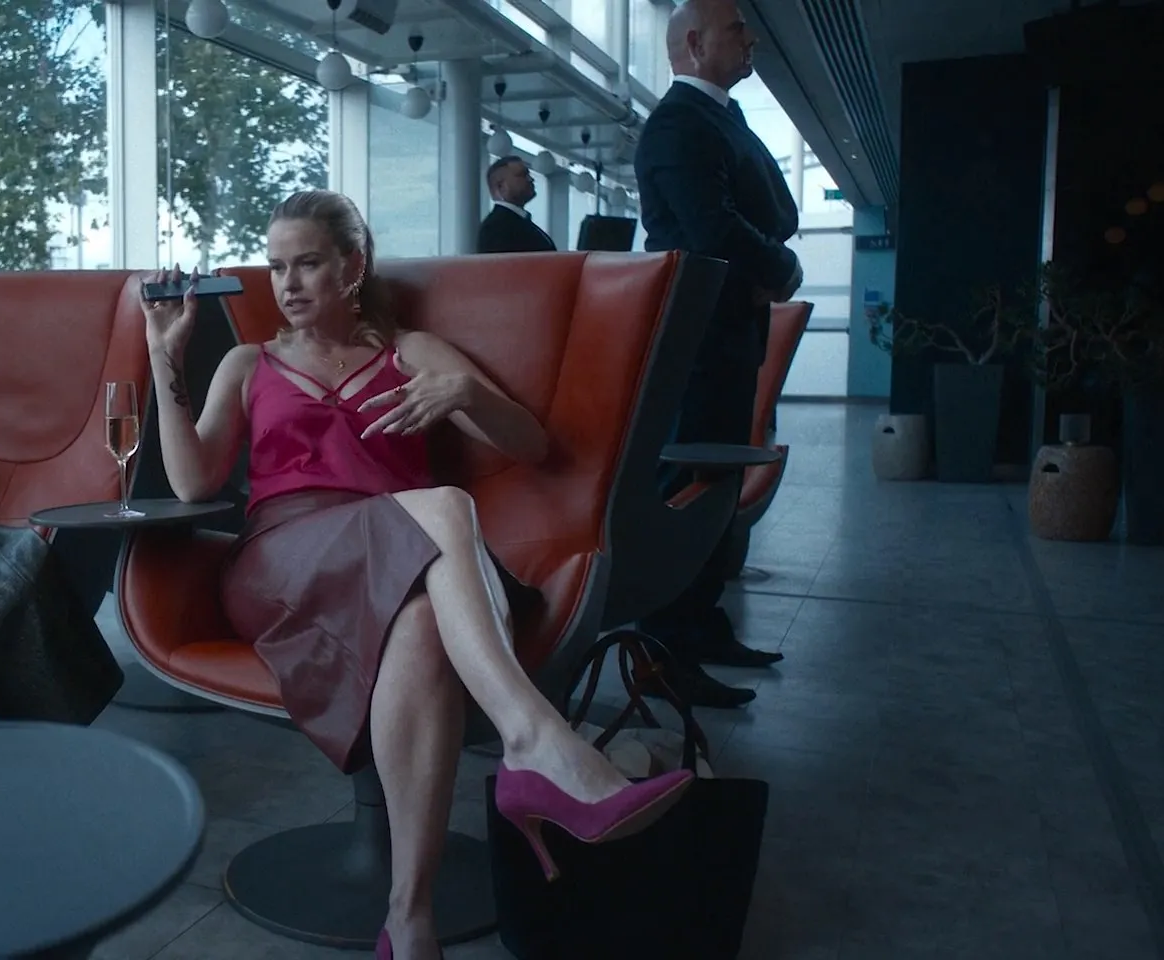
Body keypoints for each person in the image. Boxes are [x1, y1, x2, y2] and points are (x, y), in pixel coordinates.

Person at [139, 190, 692, 960]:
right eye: (276, 267)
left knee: (427, 621)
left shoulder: (413, 352)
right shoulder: (247, 363)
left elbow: (532, 446)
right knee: (444, 505)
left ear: (353, 266)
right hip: (282, 562)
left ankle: (409, 919)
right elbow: (194, 481)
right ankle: (534, 741)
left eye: (307, 263)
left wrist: (466, 393)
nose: (287, 284)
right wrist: (163, 354)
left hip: (401, 562)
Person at [632, 0, 800, 709]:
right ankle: (663, 650)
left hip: (724, 335)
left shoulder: (720, 119)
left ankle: (700, 628)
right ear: (696, 44)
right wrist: (783, 266)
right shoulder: (680, 124)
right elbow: (712, 230)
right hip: (695, 343)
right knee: (689, 489)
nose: (751, 37)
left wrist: (769, 253)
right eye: (738, 28)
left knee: (717, 488)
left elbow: (779, 212)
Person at [477, 156, 557, 253]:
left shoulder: (514, 222)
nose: (531, 179)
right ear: (501, 187)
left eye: (528, 174)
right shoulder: (495, 228)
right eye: (522, 175)